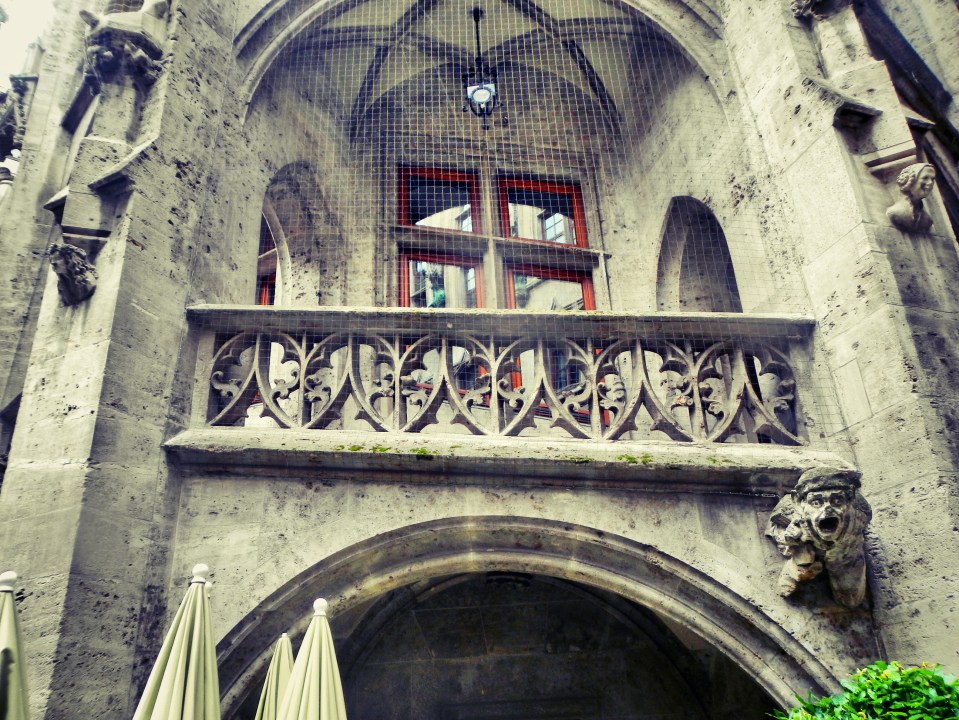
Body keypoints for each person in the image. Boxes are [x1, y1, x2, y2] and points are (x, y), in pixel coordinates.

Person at [886, 162, 936, 232]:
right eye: (925, 178)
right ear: (911, 181)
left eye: (932, 179)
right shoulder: (895, 213)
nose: (930, 182)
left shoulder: (927, 220)